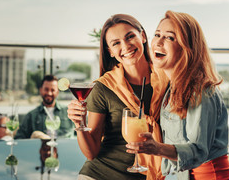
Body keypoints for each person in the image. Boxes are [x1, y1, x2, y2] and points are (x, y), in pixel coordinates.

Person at [126, 11, 229, 179]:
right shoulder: (173, 88)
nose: (159, 42)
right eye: (157, 34)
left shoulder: (200, 90)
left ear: (187, 47)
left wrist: (157, 148)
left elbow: (199, 151)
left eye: (170, 38)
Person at [67, 14, 169, 180]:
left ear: (142, 36)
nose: (126, 46)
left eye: (130, 37)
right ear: (111, 52)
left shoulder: (168, 82)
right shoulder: (104, 87)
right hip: (99, 175)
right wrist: (80, 123)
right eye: (116, 43)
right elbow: (91, 153)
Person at [15, 75, 74, 139]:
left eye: (52, 90)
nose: (49, 93)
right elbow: (19, 138)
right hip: (41, 148)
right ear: (40, 90)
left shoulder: (69, 112)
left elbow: (80, 134)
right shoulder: (31, 115)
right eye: (46, 89)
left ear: (57, 92)